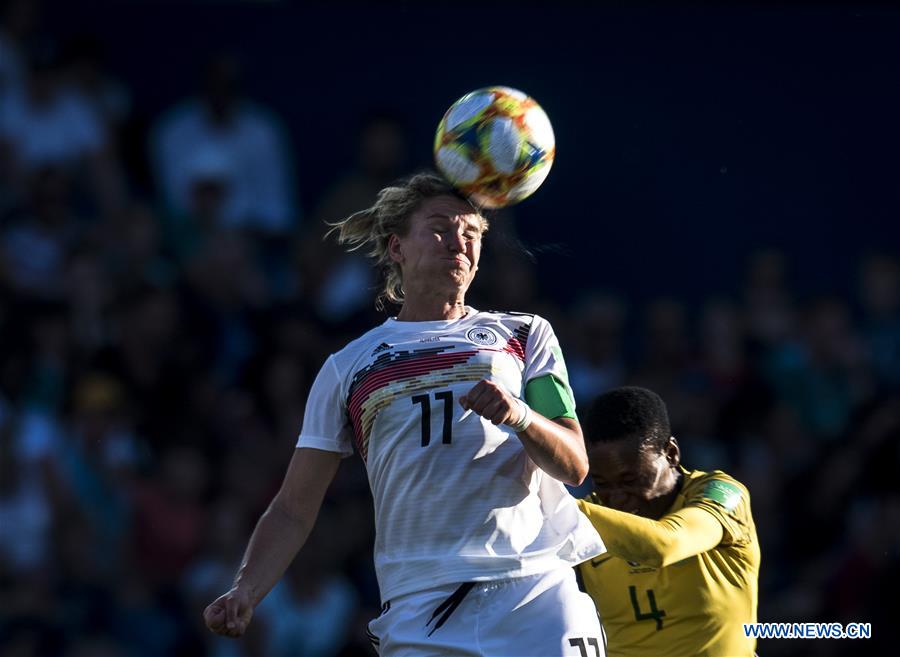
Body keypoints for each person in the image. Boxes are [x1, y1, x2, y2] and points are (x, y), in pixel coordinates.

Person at [203, 172, 607, 656]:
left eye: (471, 233)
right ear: (396, 248)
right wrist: (247, 589)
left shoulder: (525, 334)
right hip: (419, 607)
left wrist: (518, 415)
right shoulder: (348, 366)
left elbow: (575, 463)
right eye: (439, 227)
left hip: (534, 592)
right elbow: (293, 506)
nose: (458, 241)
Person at [575, 387, 760, 657]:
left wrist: (559, 509)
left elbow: (664, 545)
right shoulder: (587, 515)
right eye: (602, 484)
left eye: (631, 481)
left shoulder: (723, 494)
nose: (616, 499)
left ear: (671, 453)